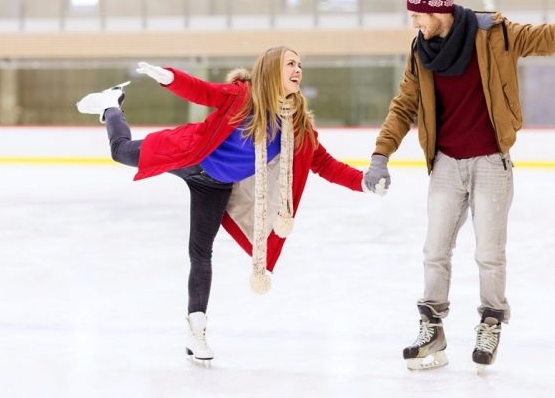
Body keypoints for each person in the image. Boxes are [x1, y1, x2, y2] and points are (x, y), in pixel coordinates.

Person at [362, 0, 555, 371]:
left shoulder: (494, 34)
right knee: (434, 250)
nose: (413, 22)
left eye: (417, 14)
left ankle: (491, 321)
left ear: (438, 10)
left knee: (489, 253)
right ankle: (433, 326)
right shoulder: (420, 52)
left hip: (490, 162)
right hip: (446, 163)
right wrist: (381, 154)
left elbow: (552, 36)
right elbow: (404, 106)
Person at [76, 46, 385, 363]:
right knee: (120, 151)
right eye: (290, 63)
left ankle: (196, 330)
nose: (298, 70)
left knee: (200, 252)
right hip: (188, 154)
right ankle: (111, 105)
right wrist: (169, 77)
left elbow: (326, 165)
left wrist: (363, 181)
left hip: (214, 185)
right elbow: (203, 92)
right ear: (271, 69)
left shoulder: (298, 128)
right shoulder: (242, 96)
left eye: (300, 65)